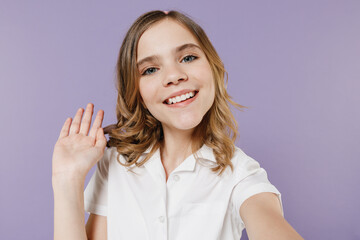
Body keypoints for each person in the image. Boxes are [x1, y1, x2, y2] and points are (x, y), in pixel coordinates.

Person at [52, 10, 303, 240]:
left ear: (213, 68)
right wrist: (67, 180)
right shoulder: (116, 163)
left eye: (188, 57)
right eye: (150, 70)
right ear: (137, 93)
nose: (174, 76)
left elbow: (268, 221)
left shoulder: (240, 174)